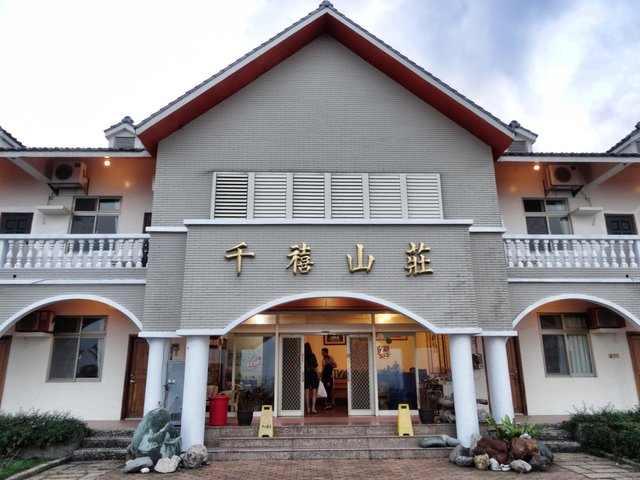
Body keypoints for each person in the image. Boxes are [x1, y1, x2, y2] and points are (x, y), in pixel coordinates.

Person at [304, 342, 319, 414]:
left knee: (306, 392)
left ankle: (308, 408)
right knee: (314, 391)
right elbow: (315, 367)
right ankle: (313, 408)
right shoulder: (313, 355)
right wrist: (319, 376)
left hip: (306, 375)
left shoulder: (303, 356)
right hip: (313, 375)